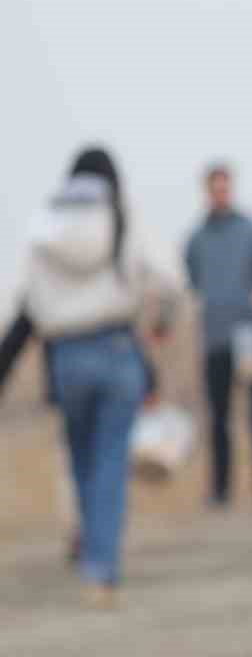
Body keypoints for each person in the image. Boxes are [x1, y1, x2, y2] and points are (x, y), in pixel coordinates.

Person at [2, 147, 176, 606]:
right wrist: (161, 323)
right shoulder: (122, 217)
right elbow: (167, 282)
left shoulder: (44, 227)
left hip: (65, 358)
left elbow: (28, 305)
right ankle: (102, 569)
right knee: (110, 461)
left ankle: (88, 549)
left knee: (80, 459)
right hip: (117, 349)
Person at [184, 162, 252, 511]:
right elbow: (194, 281)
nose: (220, 193)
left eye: (225, 187)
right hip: (215, 337)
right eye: (215, 188)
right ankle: (220, 493)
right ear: (207, 191)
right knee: (218, 417)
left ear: (232, 189)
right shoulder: (196, 239)